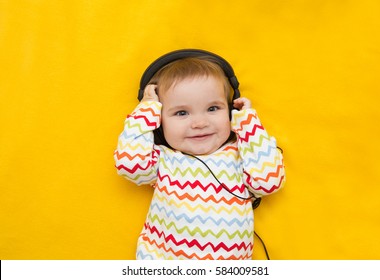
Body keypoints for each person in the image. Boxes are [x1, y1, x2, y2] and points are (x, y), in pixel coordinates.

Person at [114, 54, 285, 260]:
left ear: (230, 111)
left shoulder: (241, 155)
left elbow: (268, 182)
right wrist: (146, 109)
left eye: (213, 108)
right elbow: (129, 165)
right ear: (159, 121)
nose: (199, 123)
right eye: (181, 113)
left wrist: (248, 123)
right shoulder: (164, 160)